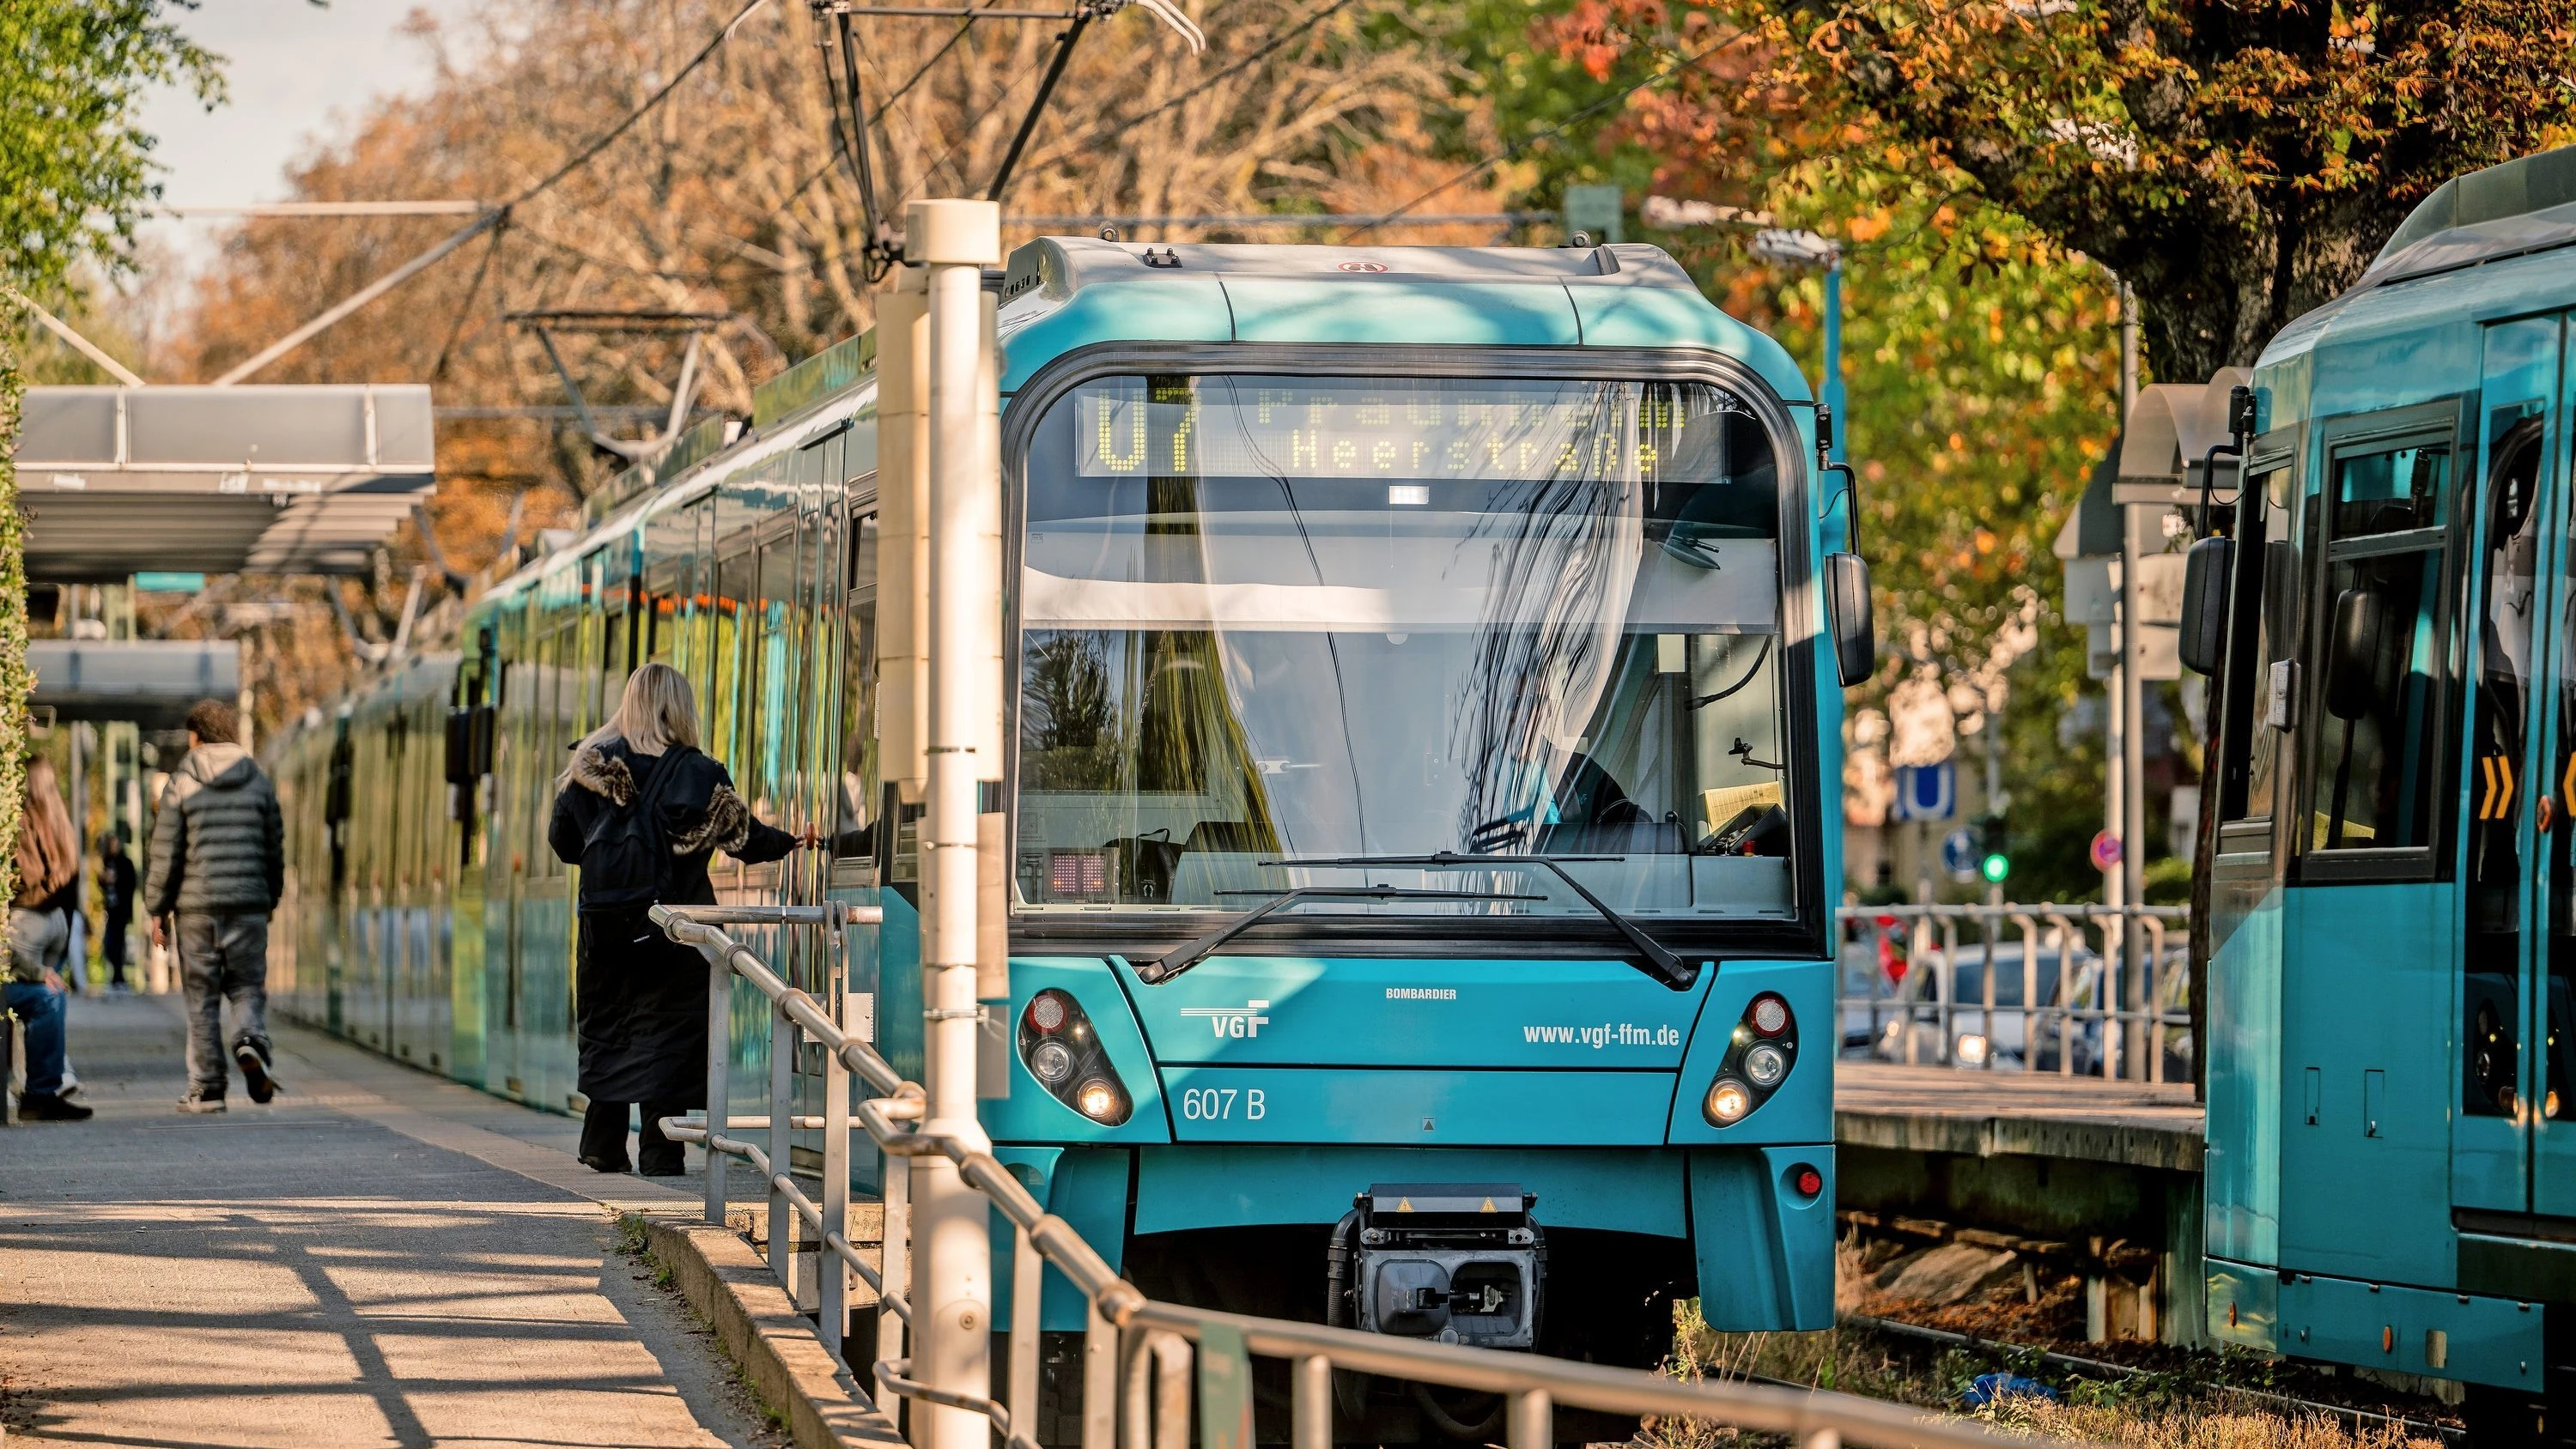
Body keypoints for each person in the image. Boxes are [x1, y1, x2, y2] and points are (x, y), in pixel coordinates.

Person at [549, 663, 799, 1176]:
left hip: (608, 935)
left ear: (630, 704)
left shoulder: (590, 768)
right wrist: (794, 840)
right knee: (669, 1040)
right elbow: (746, 842)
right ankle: (662, 1152)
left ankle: (603, 1142)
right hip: (676, 933)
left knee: (610, 1030)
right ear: (680, 707)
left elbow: (563, 843)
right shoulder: (698, 773)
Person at [145, 699, 286, 1114]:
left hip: (197, 910)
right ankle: (248, 1040)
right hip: (248, 906)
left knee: (202, 998)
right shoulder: (258, 780)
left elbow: (165, 853)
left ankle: (207, 1088)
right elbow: (274, 849)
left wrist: (158, 910)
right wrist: (269, 899)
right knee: (245, 985)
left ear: (197, 737)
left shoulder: (182, 781)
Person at [9, 757, 91, 1121]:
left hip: (26, 922)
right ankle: (53, 1080)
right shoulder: (59, 818)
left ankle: (35, 1084)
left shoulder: (20, 819)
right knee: (48, 995)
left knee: (33, 999)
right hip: (58, 921)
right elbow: (72, 880)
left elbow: (20, 877)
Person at [96, 830, 137, 993]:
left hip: (121, 910)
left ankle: (119, 979)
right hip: (111, 909)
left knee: (117, 944)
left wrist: (116, 880)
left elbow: (131, 884)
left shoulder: (125, 862)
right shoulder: (107, 862)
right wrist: (103, 881)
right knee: (110, 944)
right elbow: (104, 885)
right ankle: (117, 978)